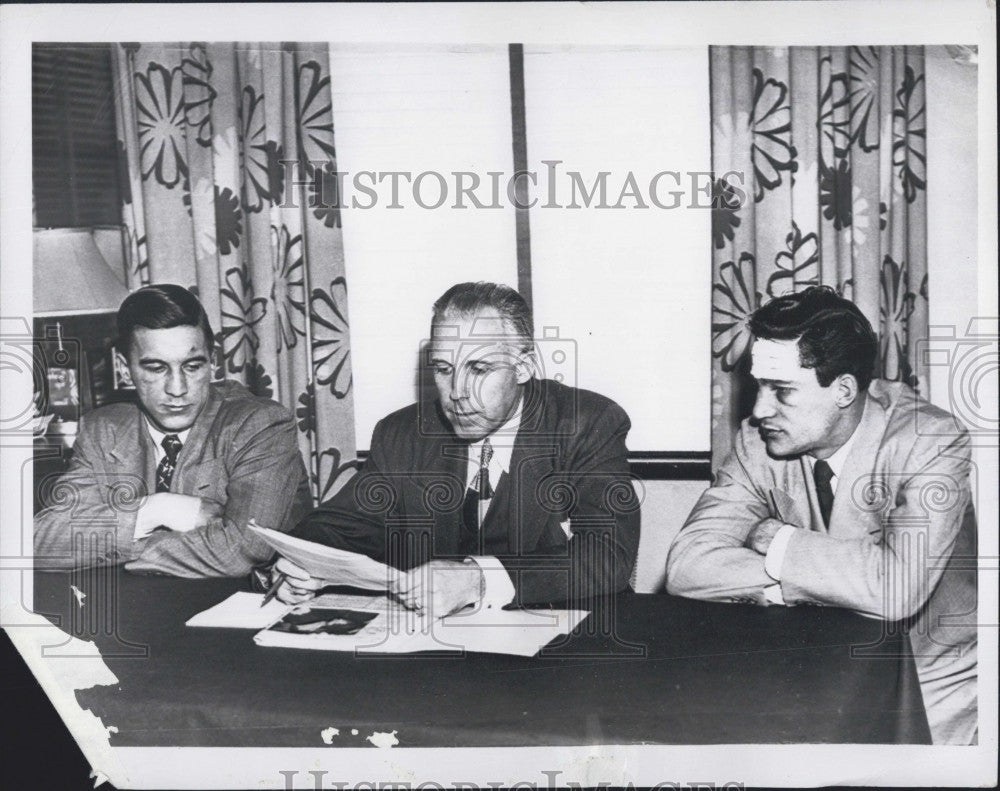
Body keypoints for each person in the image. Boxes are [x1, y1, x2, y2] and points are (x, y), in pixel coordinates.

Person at [666, 286, 977, 745]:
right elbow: (687, 565)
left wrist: (777, 540)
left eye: (782, 391)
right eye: (758, 386)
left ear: (845, 390)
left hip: (931, 685)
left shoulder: (929, 440)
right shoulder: (759, 441)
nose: (758, 410)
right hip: (821, 671)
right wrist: (812, 582)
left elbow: (896, 591)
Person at [271, 281, 639, 617]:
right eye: (444, 369)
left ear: (524, 367)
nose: (458, 392)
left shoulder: (587, 423)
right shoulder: (402, 433)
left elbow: (608, 554)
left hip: (560, 648)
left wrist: (477, 578)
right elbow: (341, 526)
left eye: (479, 369)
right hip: (436, 653)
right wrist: (301, 562)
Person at [34, 284, 312, 577]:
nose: (177, 389)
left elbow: (241, 552)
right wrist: (156, 510)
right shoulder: (103, 429)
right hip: (143, 610)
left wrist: (117, 540)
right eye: (156, 368)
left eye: (192, 366)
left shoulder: (261, 425)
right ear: (124, 367)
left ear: (213, 362)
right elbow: (41, 542)